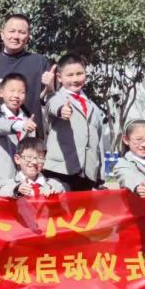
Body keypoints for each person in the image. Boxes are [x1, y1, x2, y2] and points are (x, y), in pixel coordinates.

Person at [43, 53, 104, 191]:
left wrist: (99, 176)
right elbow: (52, 105)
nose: (75, 79)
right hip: (60, 172)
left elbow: (99, 143)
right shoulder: (56, 98)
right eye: (69, 75)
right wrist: (61, 110)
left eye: (79, 74)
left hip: (88, 175)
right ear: (59, 77)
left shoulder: (93, 107)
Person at [0, 14, 55, 127]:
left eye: (22, 32)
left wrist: (50, 88)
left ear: (28, 37)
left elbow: (48, 101)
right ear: (2, 34)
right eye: (12, 31)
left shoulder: (39, 62)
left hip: (32, 132)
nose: (16, 36)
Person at [0, 72, 36, 191]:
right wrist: (21, 125)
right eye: (12, 91)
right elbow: (0, 126)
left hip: (23, 182)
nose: (16, 95)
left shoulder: (28, 118)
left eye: (21, 92)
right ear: (1, 92)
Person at [0, 138, 65, 198]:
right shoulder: (10, 184)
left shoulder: (53, 184)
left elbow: (64, 191)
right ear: (17, 159)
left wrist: (54, 194)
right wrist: (17, 189)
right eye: (29, 157)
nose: (34, 162)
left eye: (40, 158)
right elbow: (1, 195)